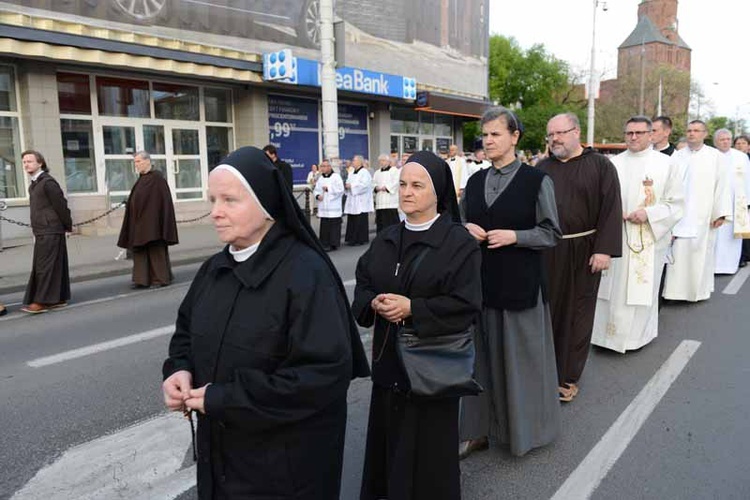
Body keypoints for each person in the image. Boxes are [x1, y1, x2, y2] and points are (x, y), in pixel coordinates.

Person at [162, 146, 369, 500]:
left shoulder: (306, 273)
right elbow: (185, 334)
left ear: (266, 203)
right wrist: (178, 369)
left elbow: (321, 376)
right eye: (213, 200)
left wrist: (225, 398)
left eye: (229, 200)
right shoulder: (214, 269)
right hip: (221, 457)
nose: (216, 213)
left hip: (284, 467)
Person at [354, 150, 481, 500]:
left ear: (438, 192)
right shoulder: (387, 237)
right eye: (403, 184)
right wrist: (373, 303)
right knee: (388, 440)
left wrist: (414, 308)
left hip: (431, 367)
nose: (406, 191)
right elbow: (363, 281)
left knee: (427, 452)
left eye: (417, 185)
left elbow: (467, 305)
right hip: (388, 364)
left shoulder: (459, 244)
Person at [459, 107, 561, 459]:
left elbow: (551, 234)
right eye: (484, 135)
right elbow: (458, 226)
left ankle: (524, 434)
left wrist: (516, 236)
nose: (487, 141)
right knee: (478, 364)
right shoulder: (473, 182)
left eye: (495, 134)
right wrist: (463, 231)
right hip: (480, 288)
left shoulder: (536, 181)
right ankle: (477, 432)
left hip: (520, 289)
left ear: (515, 137)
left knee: (520, 367)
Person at [537, 113, 623, 401]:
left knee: (577, 313)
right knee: (545, 311)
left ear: (577, 132)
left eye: (560, 133)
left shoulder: (600, 166)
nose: (555, 139)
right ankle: (542, 373)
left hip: (584, 251)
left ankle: (568, 377)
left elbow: (611, 208)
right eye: (550, 135)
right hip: (546, 250)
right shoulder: (542, 167)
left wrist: (604, 249)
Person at [591, 116, 684, 353]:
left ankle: (635, 339)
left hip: (648, 237)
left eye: (639, 133)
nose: (633, 137)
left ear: (650, 134)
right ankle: (605, 337)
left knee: (640, 289)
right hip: (616, 234)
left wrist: (649, 213)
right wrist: (611, 213)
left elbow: (677, 204)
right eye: (629, 133)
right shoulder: (612, 163)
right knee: (610, 288)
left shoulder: (667, 164)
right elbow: (597, 198)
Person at [663, 120, 731, 302]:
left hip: (703, 215)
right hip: (680, 214)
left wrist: (720, 212)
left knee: (700, 253)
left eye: (696, 130)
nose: (692, 133)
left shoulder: (715, 156)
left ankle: (697, 292)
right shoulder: (677, 156)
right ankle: (673, 293)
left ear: (705, 134)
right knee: (677, 253)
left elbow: (722, 186)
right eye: (689, 130)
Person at [117, 151, 179, 289]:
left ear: (147, 161)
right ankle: (142, 279)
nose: (136, 165)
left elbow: (162, 203)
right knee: (140, 251)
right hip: (140, 223)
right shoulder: (142, 179)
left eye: (138, 162)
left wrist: (155, 222)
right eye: (135, 162)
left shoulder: (157, 179)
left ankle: (159, 278)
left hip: (153, 224)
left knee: (155, 250)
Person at [21, 150, 72, 314]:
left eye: (29, 161)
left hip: (51, 230)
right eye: (24, 162)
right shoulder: (34, 184)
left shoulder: (48, 182)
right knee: (50, 265)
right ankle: (58, 299)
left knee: (46, 267)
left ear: (40, 163)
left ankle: (41, 301)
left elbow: (61, 206)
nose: (26, 164)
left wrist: (68, 226)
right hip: (42, 230)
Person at [713, 129, 750, 274]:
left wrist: (747, 202)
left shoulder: (741, 157)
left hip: (737, 202)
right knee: (716, 235)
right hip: (716, 202)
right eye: (722, 139)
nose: (726, 142)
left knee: (732, 237)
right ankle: (714, 266)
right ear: (716, 141)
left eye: (728, 139)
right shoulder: (711, 155)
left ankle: (730, 266)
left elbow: (747, 179)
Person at [313, 159, 344, 251]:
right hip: (324, 206)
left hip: (333, 206)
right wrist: (318, 196)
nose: (322, 168)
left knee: (334, 225)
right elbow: (316, 190)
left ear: (329, 167)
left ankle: (333, 244)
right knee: (324, 225)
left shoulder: (336, 177)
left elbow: (340, 190)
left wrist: (328, 189)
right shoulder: (321, 178)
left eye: (324, 166)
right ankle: (324, 243)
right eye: (321, 166)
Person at [344, 155, 374, 245]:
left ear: (360, 162)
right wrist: (347, 186)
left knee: (360, 220)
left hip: (361, 200)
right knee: (352, 220)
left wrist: (352, 186)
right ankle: (351, 238)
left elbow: (365, 186)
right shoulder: (352, 172)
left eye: (354, 160)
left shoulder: (364, 172)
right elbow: (348, 181)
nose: (352, 161)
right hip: (352, 200)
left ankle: (360, 239)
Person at [372, 153, 400, 233]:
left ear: (388, 161)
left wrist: (387, 187)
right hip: (380, 201)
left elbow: (396, 182)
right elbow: (373, 183)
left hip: (390, 201)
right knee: (380, 222)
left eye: (383, 160)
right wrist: (376, 187)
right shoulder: (377, 172)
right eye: (380, 161)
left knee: (391, 222)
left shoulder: (394, 171)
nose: (381, 162)